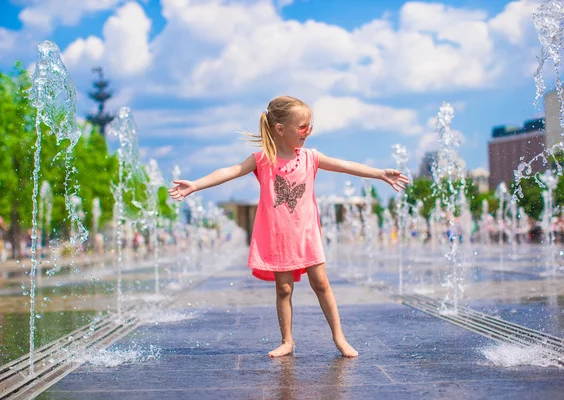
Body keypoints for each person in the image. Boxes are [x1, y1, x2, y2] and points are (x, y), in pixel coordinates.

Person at [168, 96, 409, 358]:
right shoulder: (262, 160)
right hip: (278, 237)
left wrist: (379, 174)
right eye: (302, 127)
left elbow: (346, 166)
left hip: (306, 234)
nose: (308, 132)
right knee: (283, 289)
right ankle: (287, 341)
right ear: (280, 129)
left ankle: (339, 338)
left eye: (310, 126)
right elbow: (229, 171)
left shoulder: (310, 157)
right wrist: (195, 184)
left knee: (321, 284)